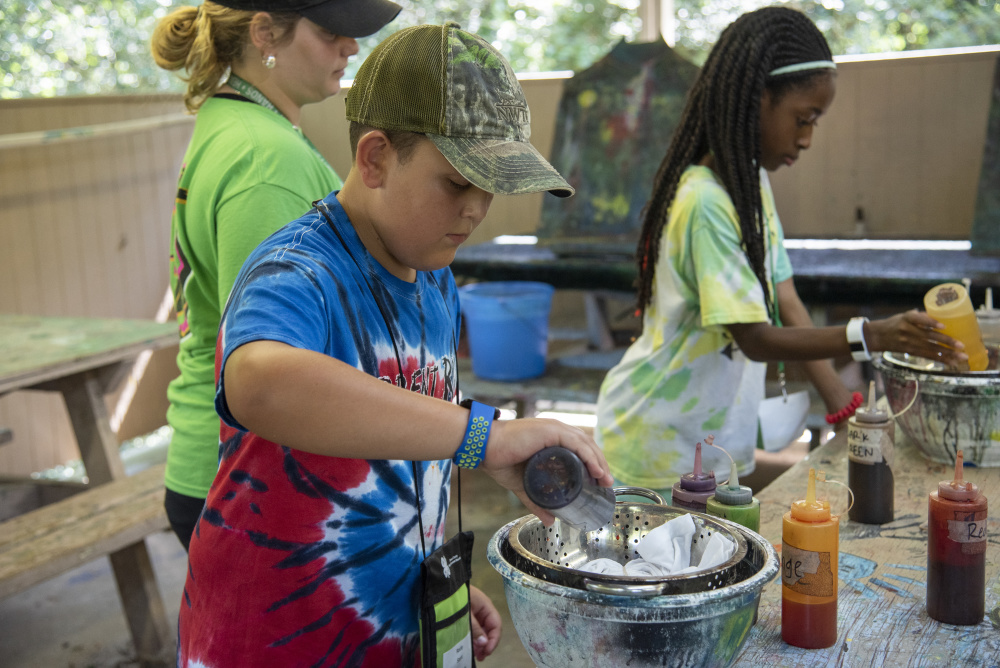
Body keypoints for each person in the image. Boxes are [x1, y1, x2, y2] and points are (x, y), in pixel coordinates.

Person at [176, 22, 613, 667]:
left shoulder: (434, 276)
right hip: (272, 636)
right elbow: (259, 383)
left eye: (491, 186)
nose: (476, 209)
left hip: (383, 618)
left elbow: (404, 456)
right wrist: (482, 435)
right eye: (457, 182)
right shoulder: (300, 270)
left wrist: (431, 580)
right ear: (375, 158)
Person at [594, 6, 967, 499]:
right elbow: (755, 338)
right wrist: (871, 334)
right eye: (803, 118)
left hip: (707, 441)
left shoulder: (750, 184)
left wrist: (841, 402)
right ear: (757, 99)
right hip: (658, 445)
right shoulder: (705, 200)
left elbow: (784, 296)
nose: (808, 138)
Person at [150, 0, 401, 550]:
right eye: (332, 32)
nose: (350, 47)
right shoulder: (265, 159)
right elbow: (276, 372)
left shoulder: (236, 122)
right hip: (250, 476)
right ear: (265, 32)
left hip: (232, 462)